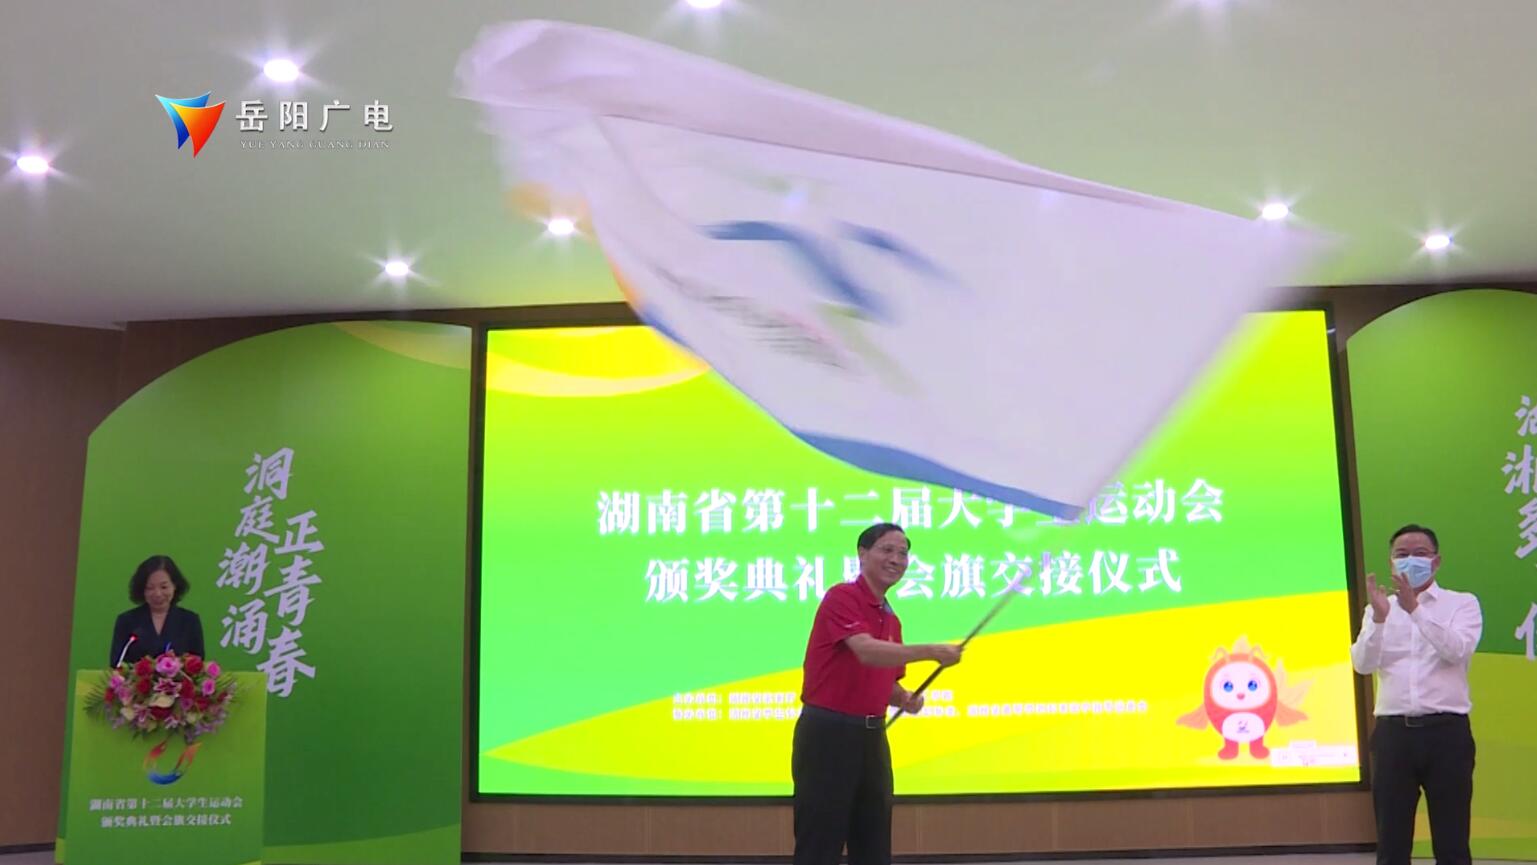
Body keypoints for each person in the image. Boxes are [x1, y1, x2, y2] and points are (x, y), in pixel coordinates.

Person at [792, 522, 962, 865]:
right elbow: (866, 651)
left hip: (871, 737)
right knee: (820, 841)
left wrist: (904, 698)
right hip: (828, 734)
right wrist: (931, 651)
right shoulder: (842, 597)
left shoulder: (891, 618)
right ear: (862, 554)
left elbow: (886, 681)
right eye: (887, 550)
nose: (896, 559)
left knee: (873, 840)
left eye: (903, 553)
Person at [1350, 524, 1482, 865]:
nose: (1411, 560)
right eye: (1402, 554)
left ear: (1436, 561)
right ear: (1391, 562)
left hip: (1446, 734)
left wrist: (1416, 610)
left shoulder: (1462, 604)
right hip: (1393, 735)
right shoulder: (1379, 608)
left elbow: (1457, 650)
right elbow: (1363, 664)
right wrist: (1380, 620)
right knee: (1392, 843)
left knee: (1452, 842)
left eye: (1420, 554)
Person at [110, 555, 206, 666]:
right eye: (150, 588)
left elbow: (197, 665)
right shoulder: (126, 621)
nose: (157, 594)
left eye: (164, 587)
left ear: (175, 586)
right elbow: (117, 664)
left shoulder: (190, 621)